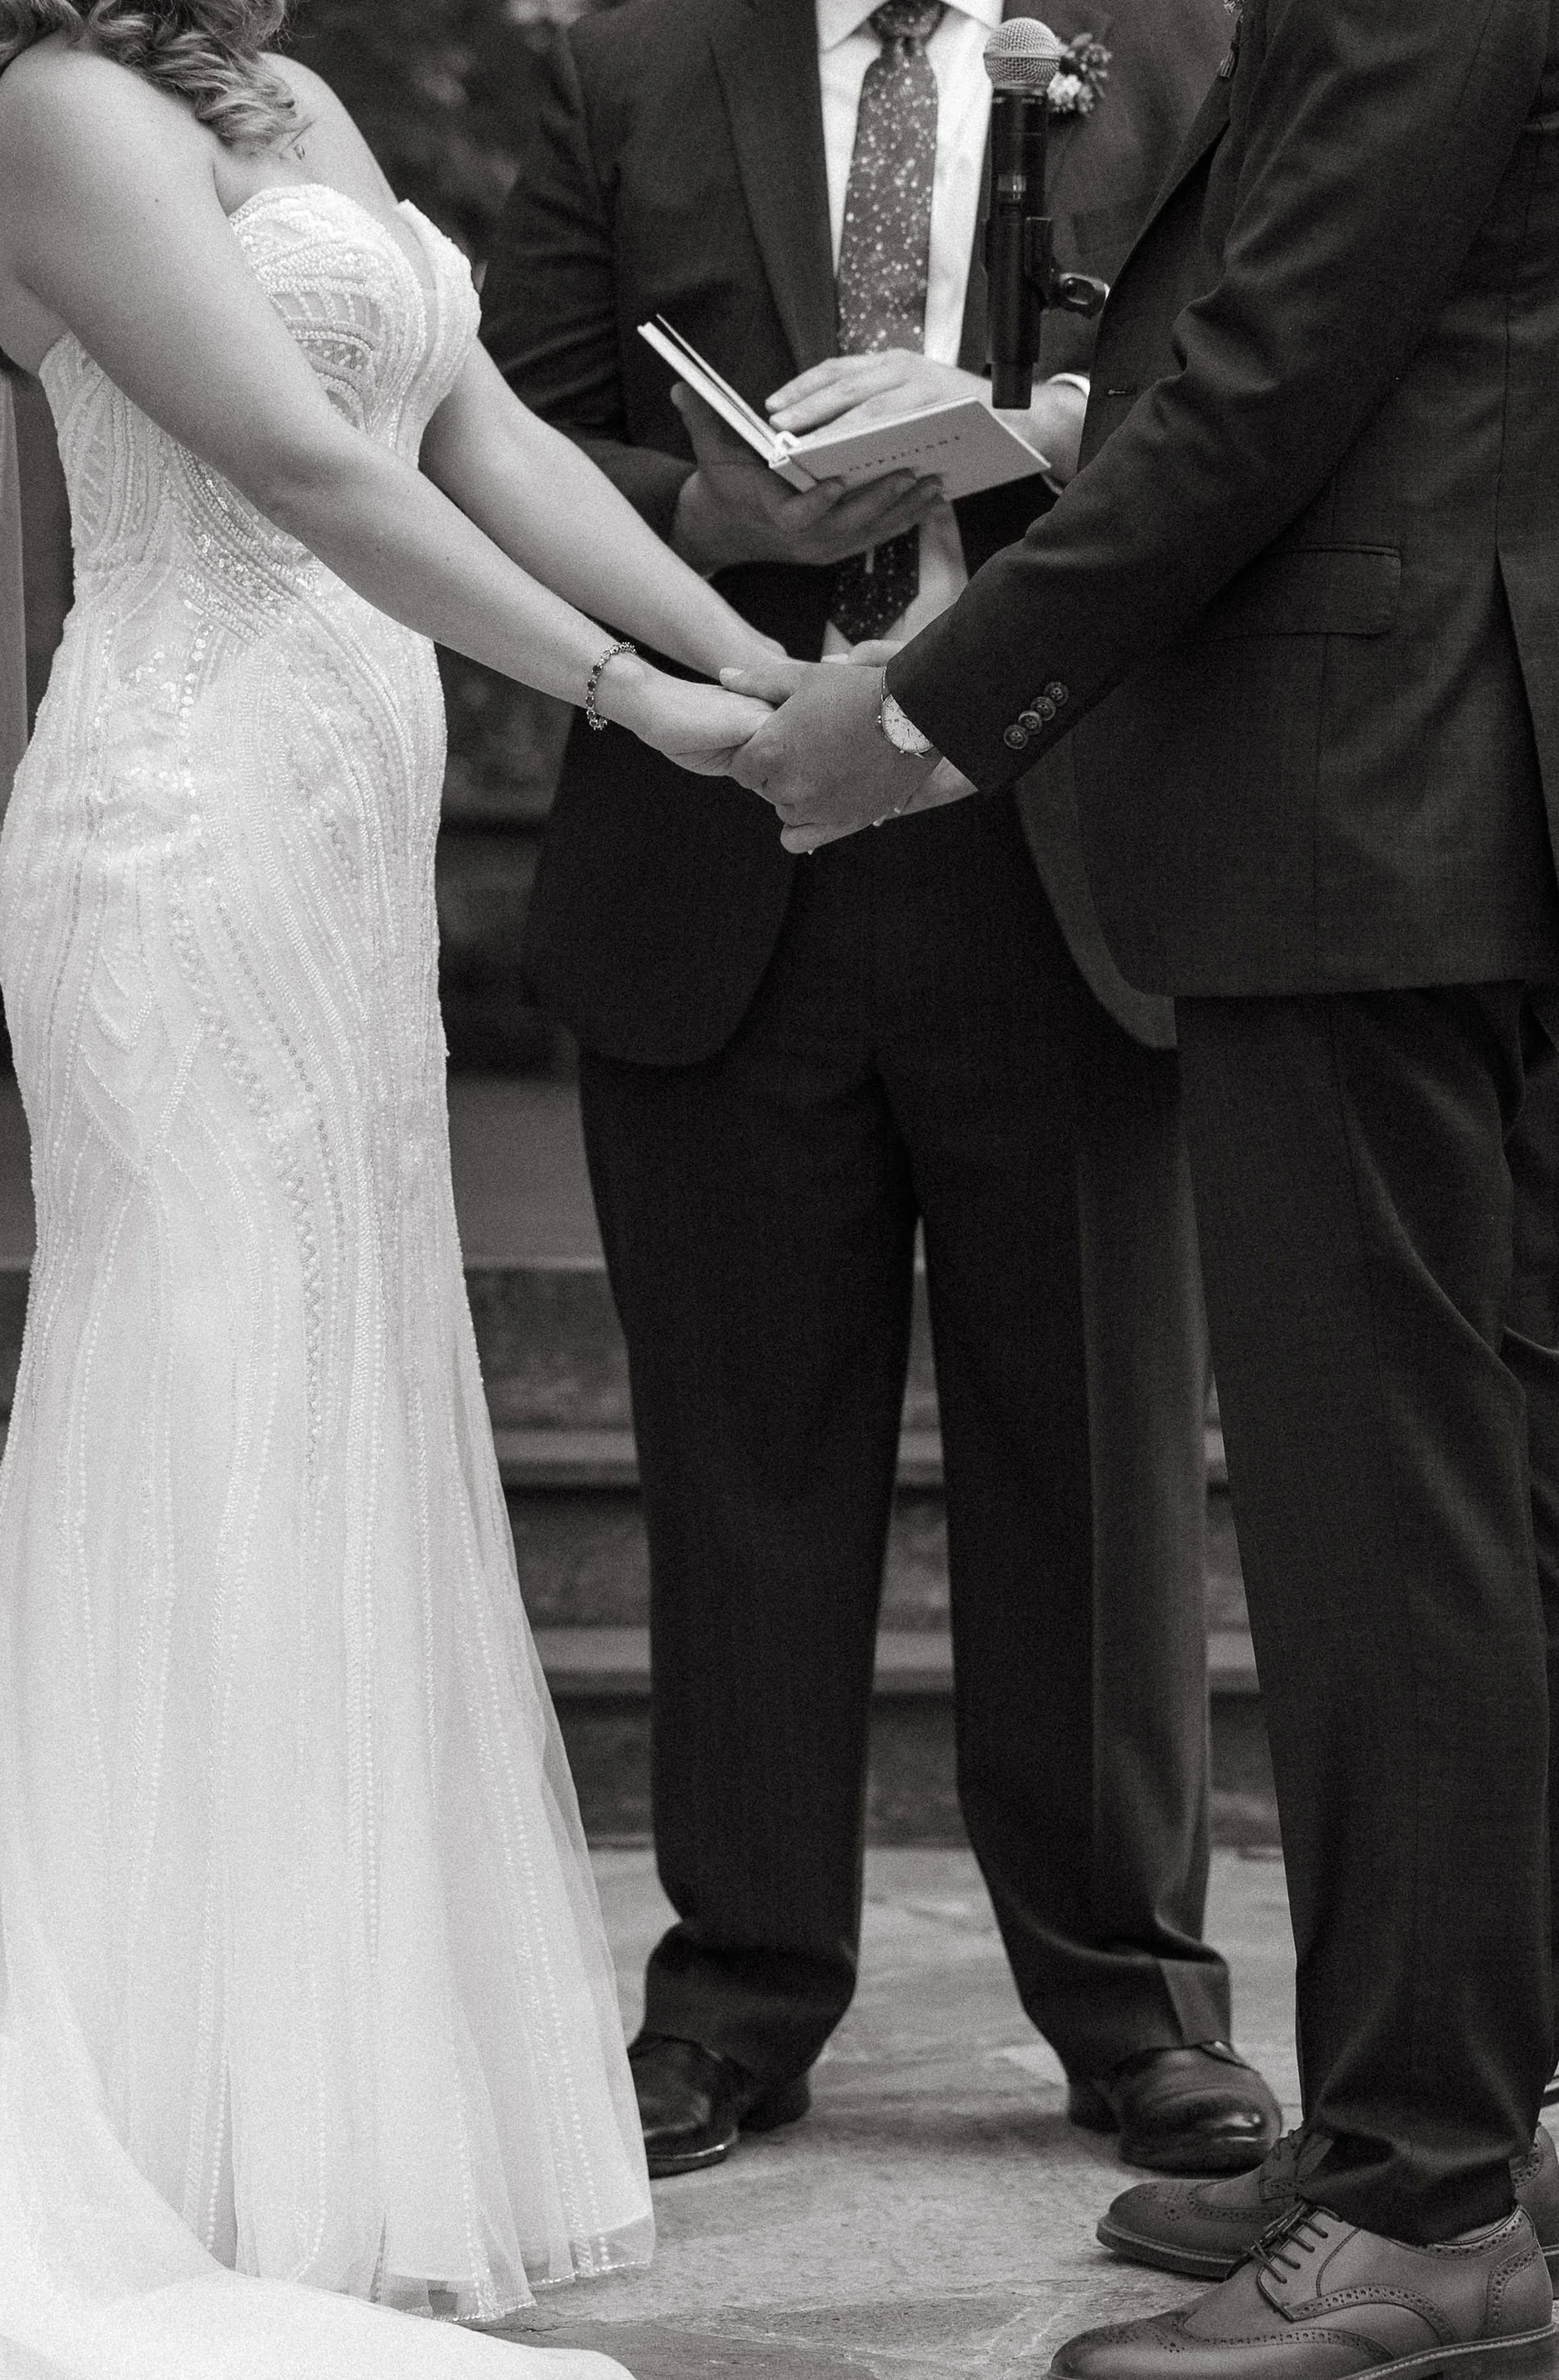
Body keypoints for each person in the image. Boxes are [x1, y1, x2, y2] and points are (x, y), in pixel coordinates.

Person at [0, 0, 780, 2371]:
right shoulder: (54, 119)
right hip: (180, 842)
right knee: (207, 1414)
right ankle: (171, 2108)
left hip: (338, 852)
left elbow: (470, 437)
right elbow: (304, 469)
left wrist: (761, 669)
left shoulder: (290, 103)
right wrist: (625, 704)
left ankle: (326, 2098)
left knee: (343, 1411)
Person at [724, 0, 1559, 2373]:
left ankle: (1425, 2198)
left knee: (1388, 1514)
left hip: (1375, 792)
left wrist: (921, 710)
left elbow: (1268, 378)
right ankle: (1465, 2118)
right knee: (1479, 1489)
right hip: (1432, 789)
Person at [479, 0, 1279, 2182]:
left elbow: (1251, 412)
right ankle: (738, 1988)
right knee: (743, 1451)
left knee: (1100, 1458)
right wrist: (711, 501)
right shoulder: (624, 72)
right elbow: (503, 429)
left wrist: (1020, 440)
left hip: (1067, 853)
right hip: (726, 844)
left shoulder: (1176, 61)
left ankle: (1135, 2001)